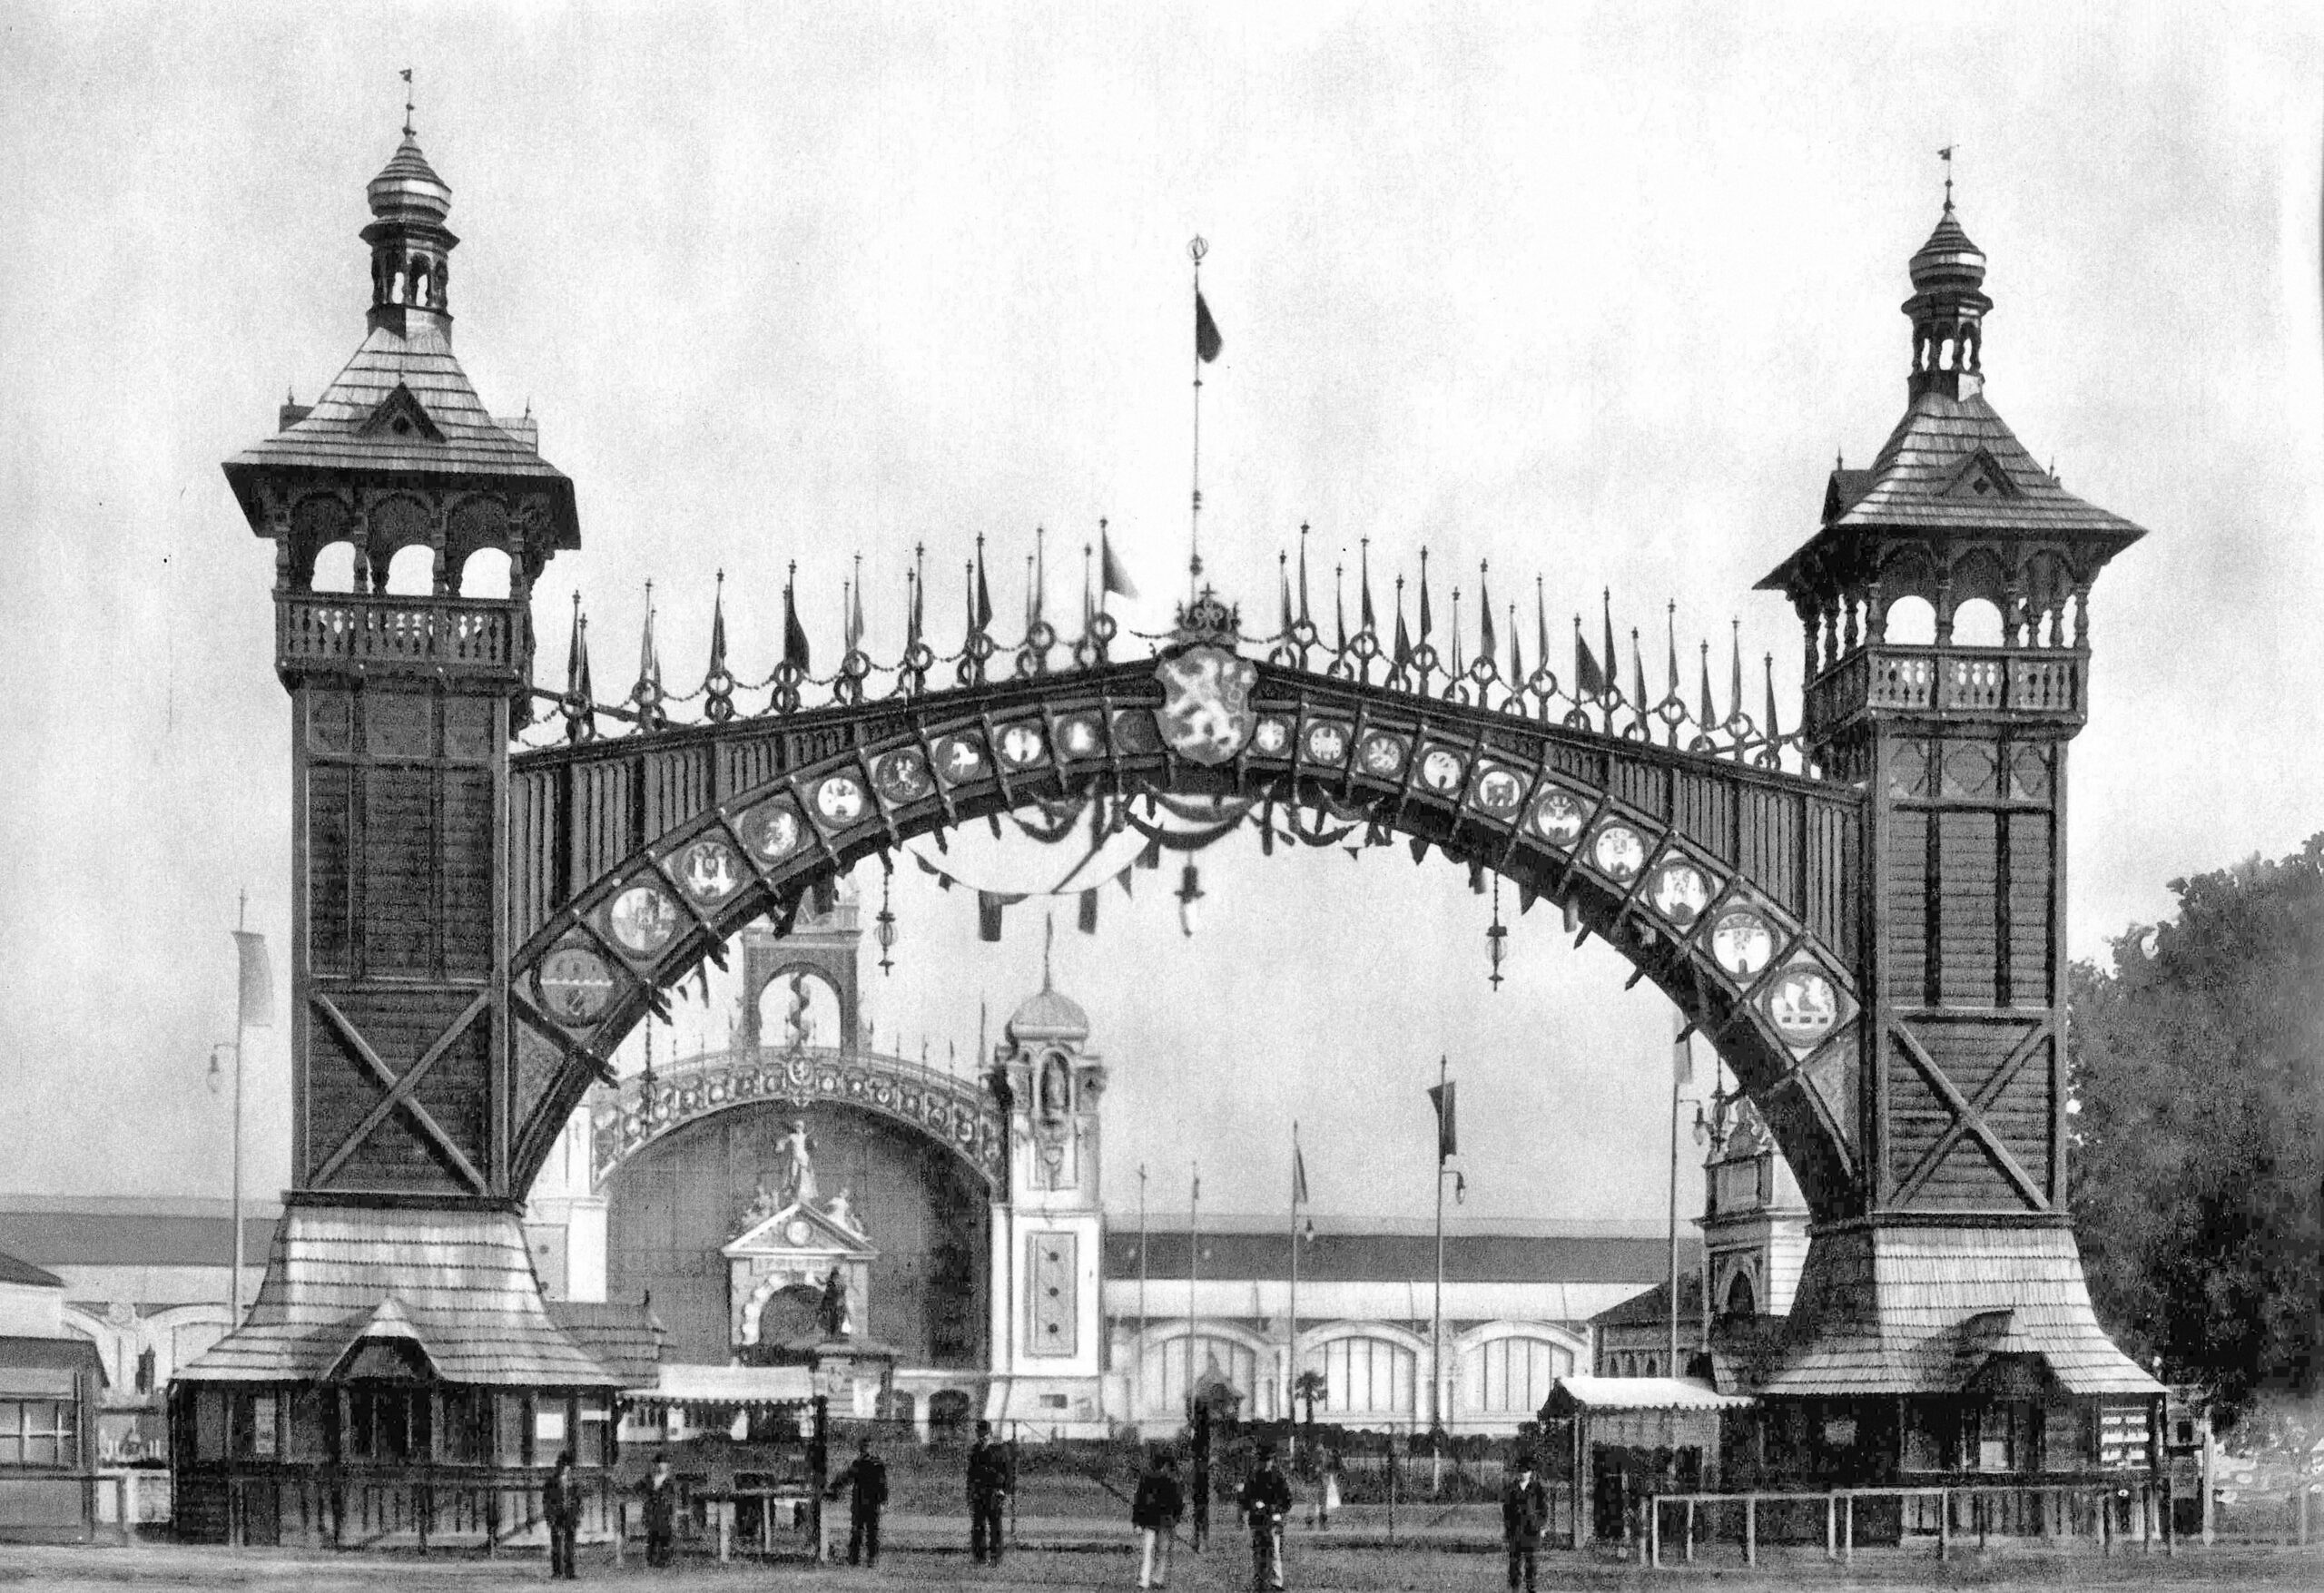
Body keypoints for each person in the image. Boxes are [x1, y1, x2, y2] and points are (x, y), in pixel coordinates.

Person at [1236, 1443, 1294, 1592]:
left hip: (1273, 1520)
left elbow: (1287, 1500)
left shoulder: (1278, 1477)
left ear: (1272, 1460)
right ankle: (1259, 1581)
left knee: (1274, 1550)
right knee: (1258, 1551)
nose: (1265, 1463)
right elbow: (1245, 1498)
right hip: (1257, 1520)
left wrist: (1275, 1509)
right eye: (1262, 1460)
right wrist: (1253, 1505)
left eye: (1267, 1460)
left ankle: (1276, 1583)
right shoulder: (1253, 1477)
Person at [825, 1435, 890, 1568]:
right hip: (866, 1502)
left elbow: (847, 1478)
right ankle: (865, 1558)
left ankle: (859, 1558)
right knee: (866, 1532)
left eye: (865, 1446)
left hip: (865, 1501)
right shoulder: (873, 1464)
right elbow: (881, 1484)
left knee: (864, 1532)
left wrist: (834, 1487)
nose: (864, 1449)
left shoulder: (864, 1464)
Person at [1131, 1447, 1185, 1589]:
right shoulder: (1173, 1480)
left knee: (1147, 1551)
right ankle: (1157, 1579)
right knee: (1162, 1552)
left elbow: (1139, 1501)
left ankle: (1144, 1579)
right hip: (1166, 1521)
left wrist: (1137, 1521)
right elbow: (1178, 1503)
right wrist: (1176, 1519)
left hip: (1149, 1520)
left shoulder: (1146, 1478)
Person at [1501, 1450, 1551, 1593]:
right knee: (1514, 1563)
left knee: (1531, 1563)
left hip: (1532, 1530)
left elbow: (1543, 1508)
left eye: (1527, 1471)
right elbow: (1507, 1510)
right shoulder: (1512, 1488)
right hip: (1516, 1530)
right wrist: (1507, 1530)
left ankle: (1531, 1588)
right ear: (1518, 1472)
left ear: (1531, 1473)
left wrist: (1542, 1527)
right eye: (1522, 1471)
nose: (1524, 1474)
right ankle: (1515, 1588)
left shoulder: (1537, 1488)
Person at [967, 1420, 1011, 1565]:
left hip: (995, 1493)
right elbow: (971, 1474)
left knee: (995, 1526)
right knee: (978, 1526)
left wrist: (1005, 1491)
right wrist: (970, 1493)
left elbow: (1007, 1472)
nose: (982, 1438)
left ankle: (996, 1557)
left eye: (985, 1435)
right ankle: (979, 1558)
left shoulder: (1000, 1450)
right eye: (980, 1435)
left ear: (990, 1434)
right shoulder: (975, 1450)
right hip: (979, 1493)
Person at [544, 1450, 581, 1579]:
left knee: (569, 1545)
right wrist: (549, 1517)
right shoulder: (552, 1481)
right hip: (557, 1516)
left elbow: (578, 1500)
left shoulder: (573, 1482)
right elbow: (547, 1500)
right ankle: (557, 1571)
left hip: (569, 1515)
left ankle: (569, 1572)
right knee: (557, 1545)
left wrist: (577, 1515)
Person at [639, 1451, 678, 1568]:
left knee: (665, 1537)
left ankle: (664, 1560)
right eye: (660, 1463)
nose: (662, 1466)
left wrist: (673, 1515)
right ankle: (651, 1560)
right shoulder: (649, 1479)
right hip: (652, 1512)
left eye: (665, 1463)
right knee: (652, 1536)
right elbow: (641, 1490)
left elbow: (672, 1498)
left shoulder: (670, 1481)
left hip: (665, 1512)